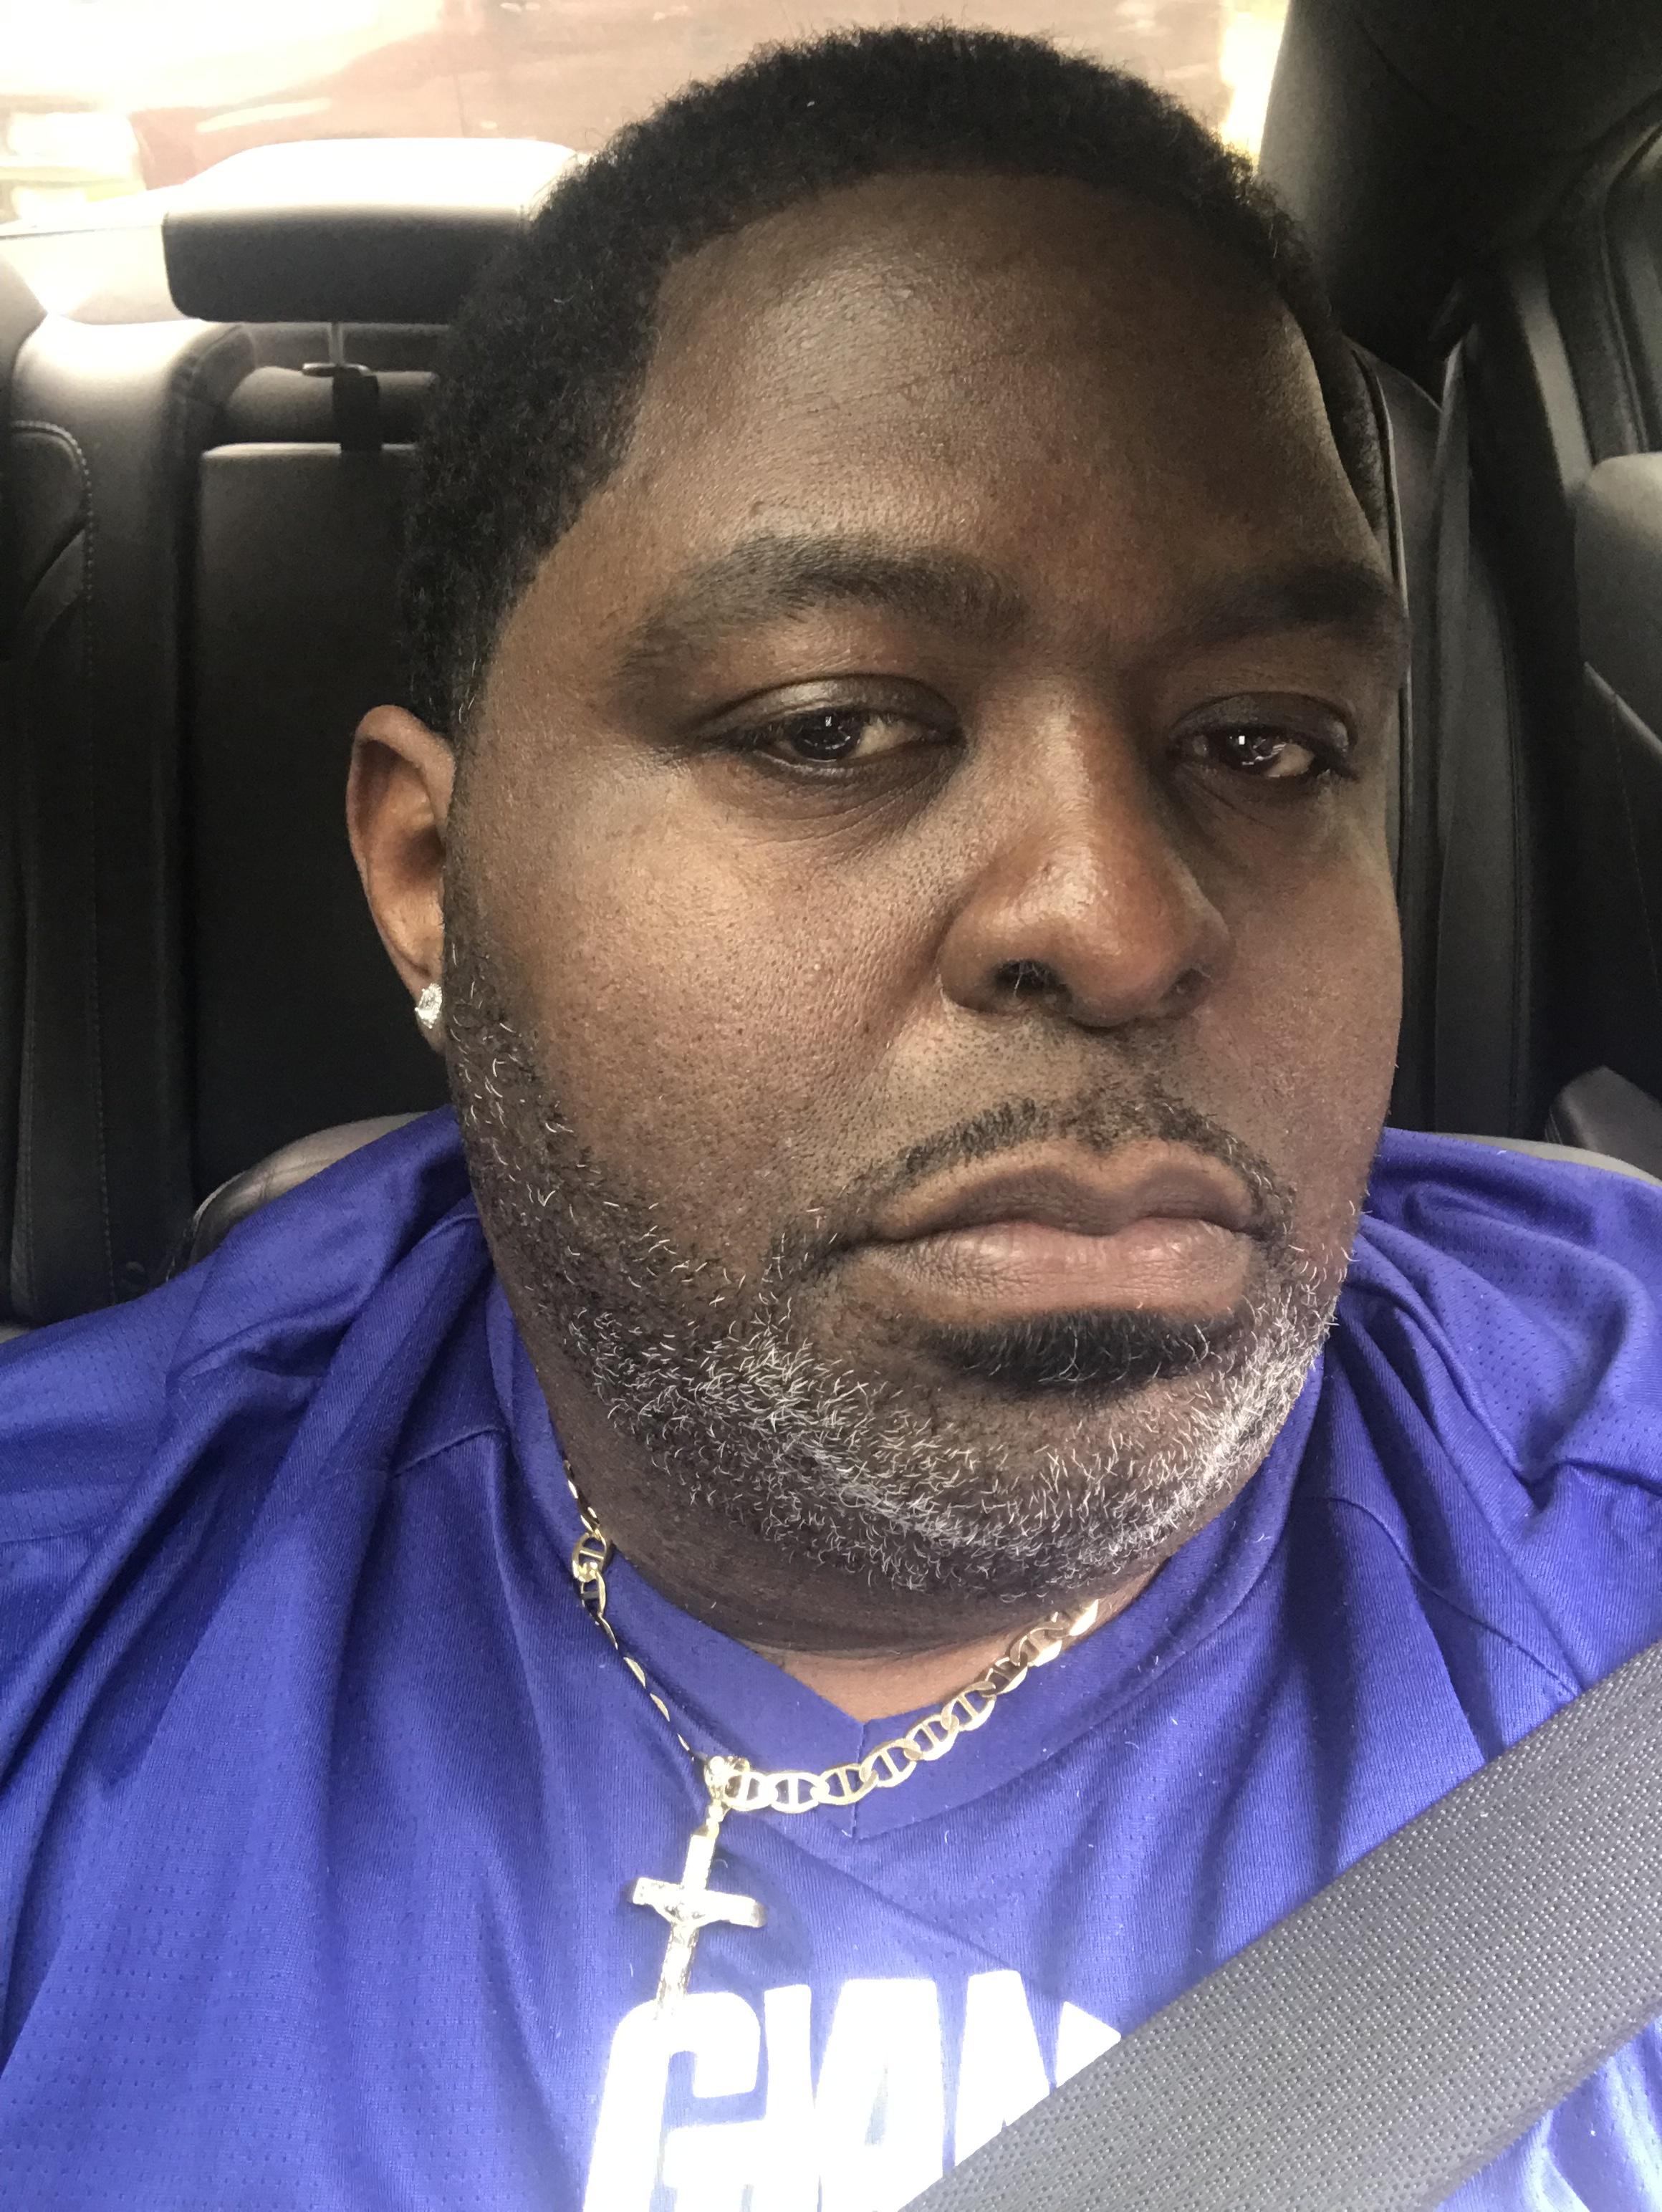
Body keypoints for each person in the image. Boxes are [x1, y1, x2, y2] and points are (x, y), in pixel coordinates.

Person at [1, 24, 1660, 2209]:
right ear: (430, 873)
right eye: (832, 727)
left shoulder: (1610, 1526)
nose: (1118, 918)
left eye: (1266, 743)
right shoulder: (66, 1617)